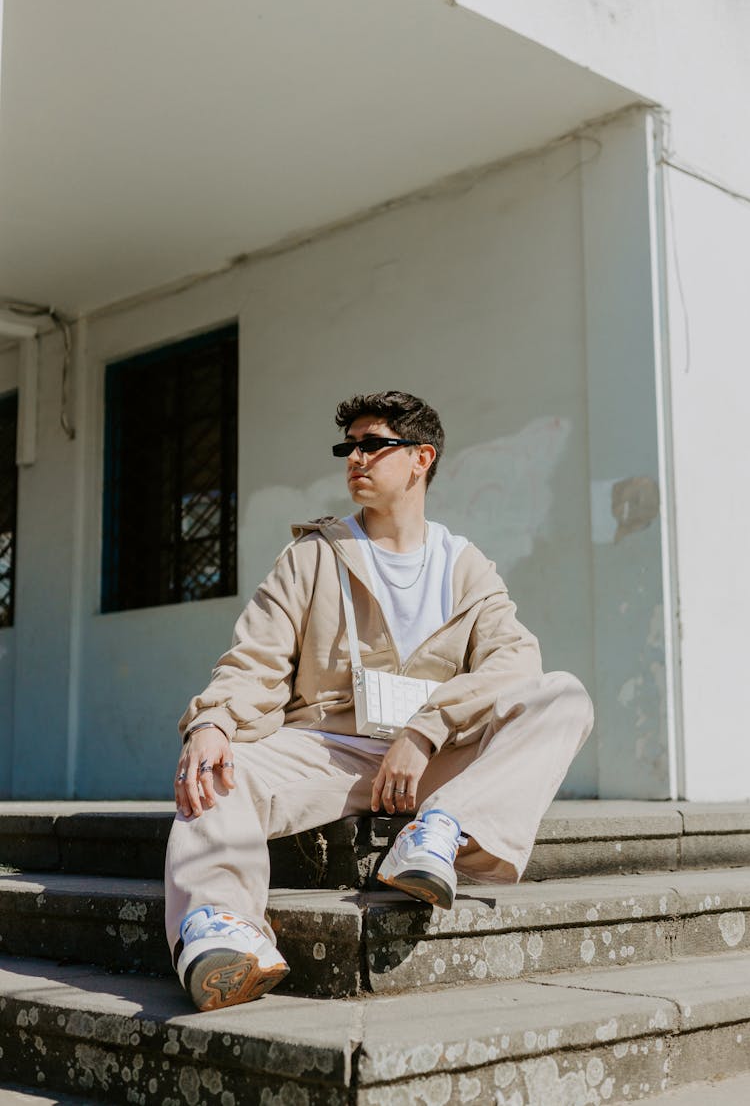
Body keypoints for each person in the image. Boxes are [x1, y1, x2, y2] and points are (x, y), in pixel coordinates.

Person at [165, 391, 594, 1012]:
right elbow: (255, 658)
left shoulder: (465, 566)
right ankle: (221, 930)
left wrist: (424, 732)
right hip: (327, 748)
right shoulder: (313, 555)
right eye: (349, 447)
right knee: (215, 771)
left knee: (563, 696)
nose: (355, 458)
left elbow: (515, 661)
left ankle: (440, 829)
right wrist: (211, 722)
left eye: (373, 444)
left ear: (422, 458)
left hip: (432, 759)